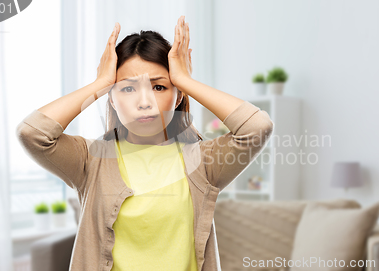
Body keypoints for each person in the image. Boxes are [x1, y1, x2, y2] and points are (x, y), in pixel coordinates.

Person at [16, 15, 274, 271]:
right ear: (112, 99)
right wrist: (100, 83)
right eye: (127, 89)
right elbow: (33, 133)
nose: (144, 102)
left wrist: (186, 81)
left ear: (178, 96)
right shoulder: (89, 159)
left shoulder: (204, 161)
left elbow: (257, 128)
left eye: (159, 87)